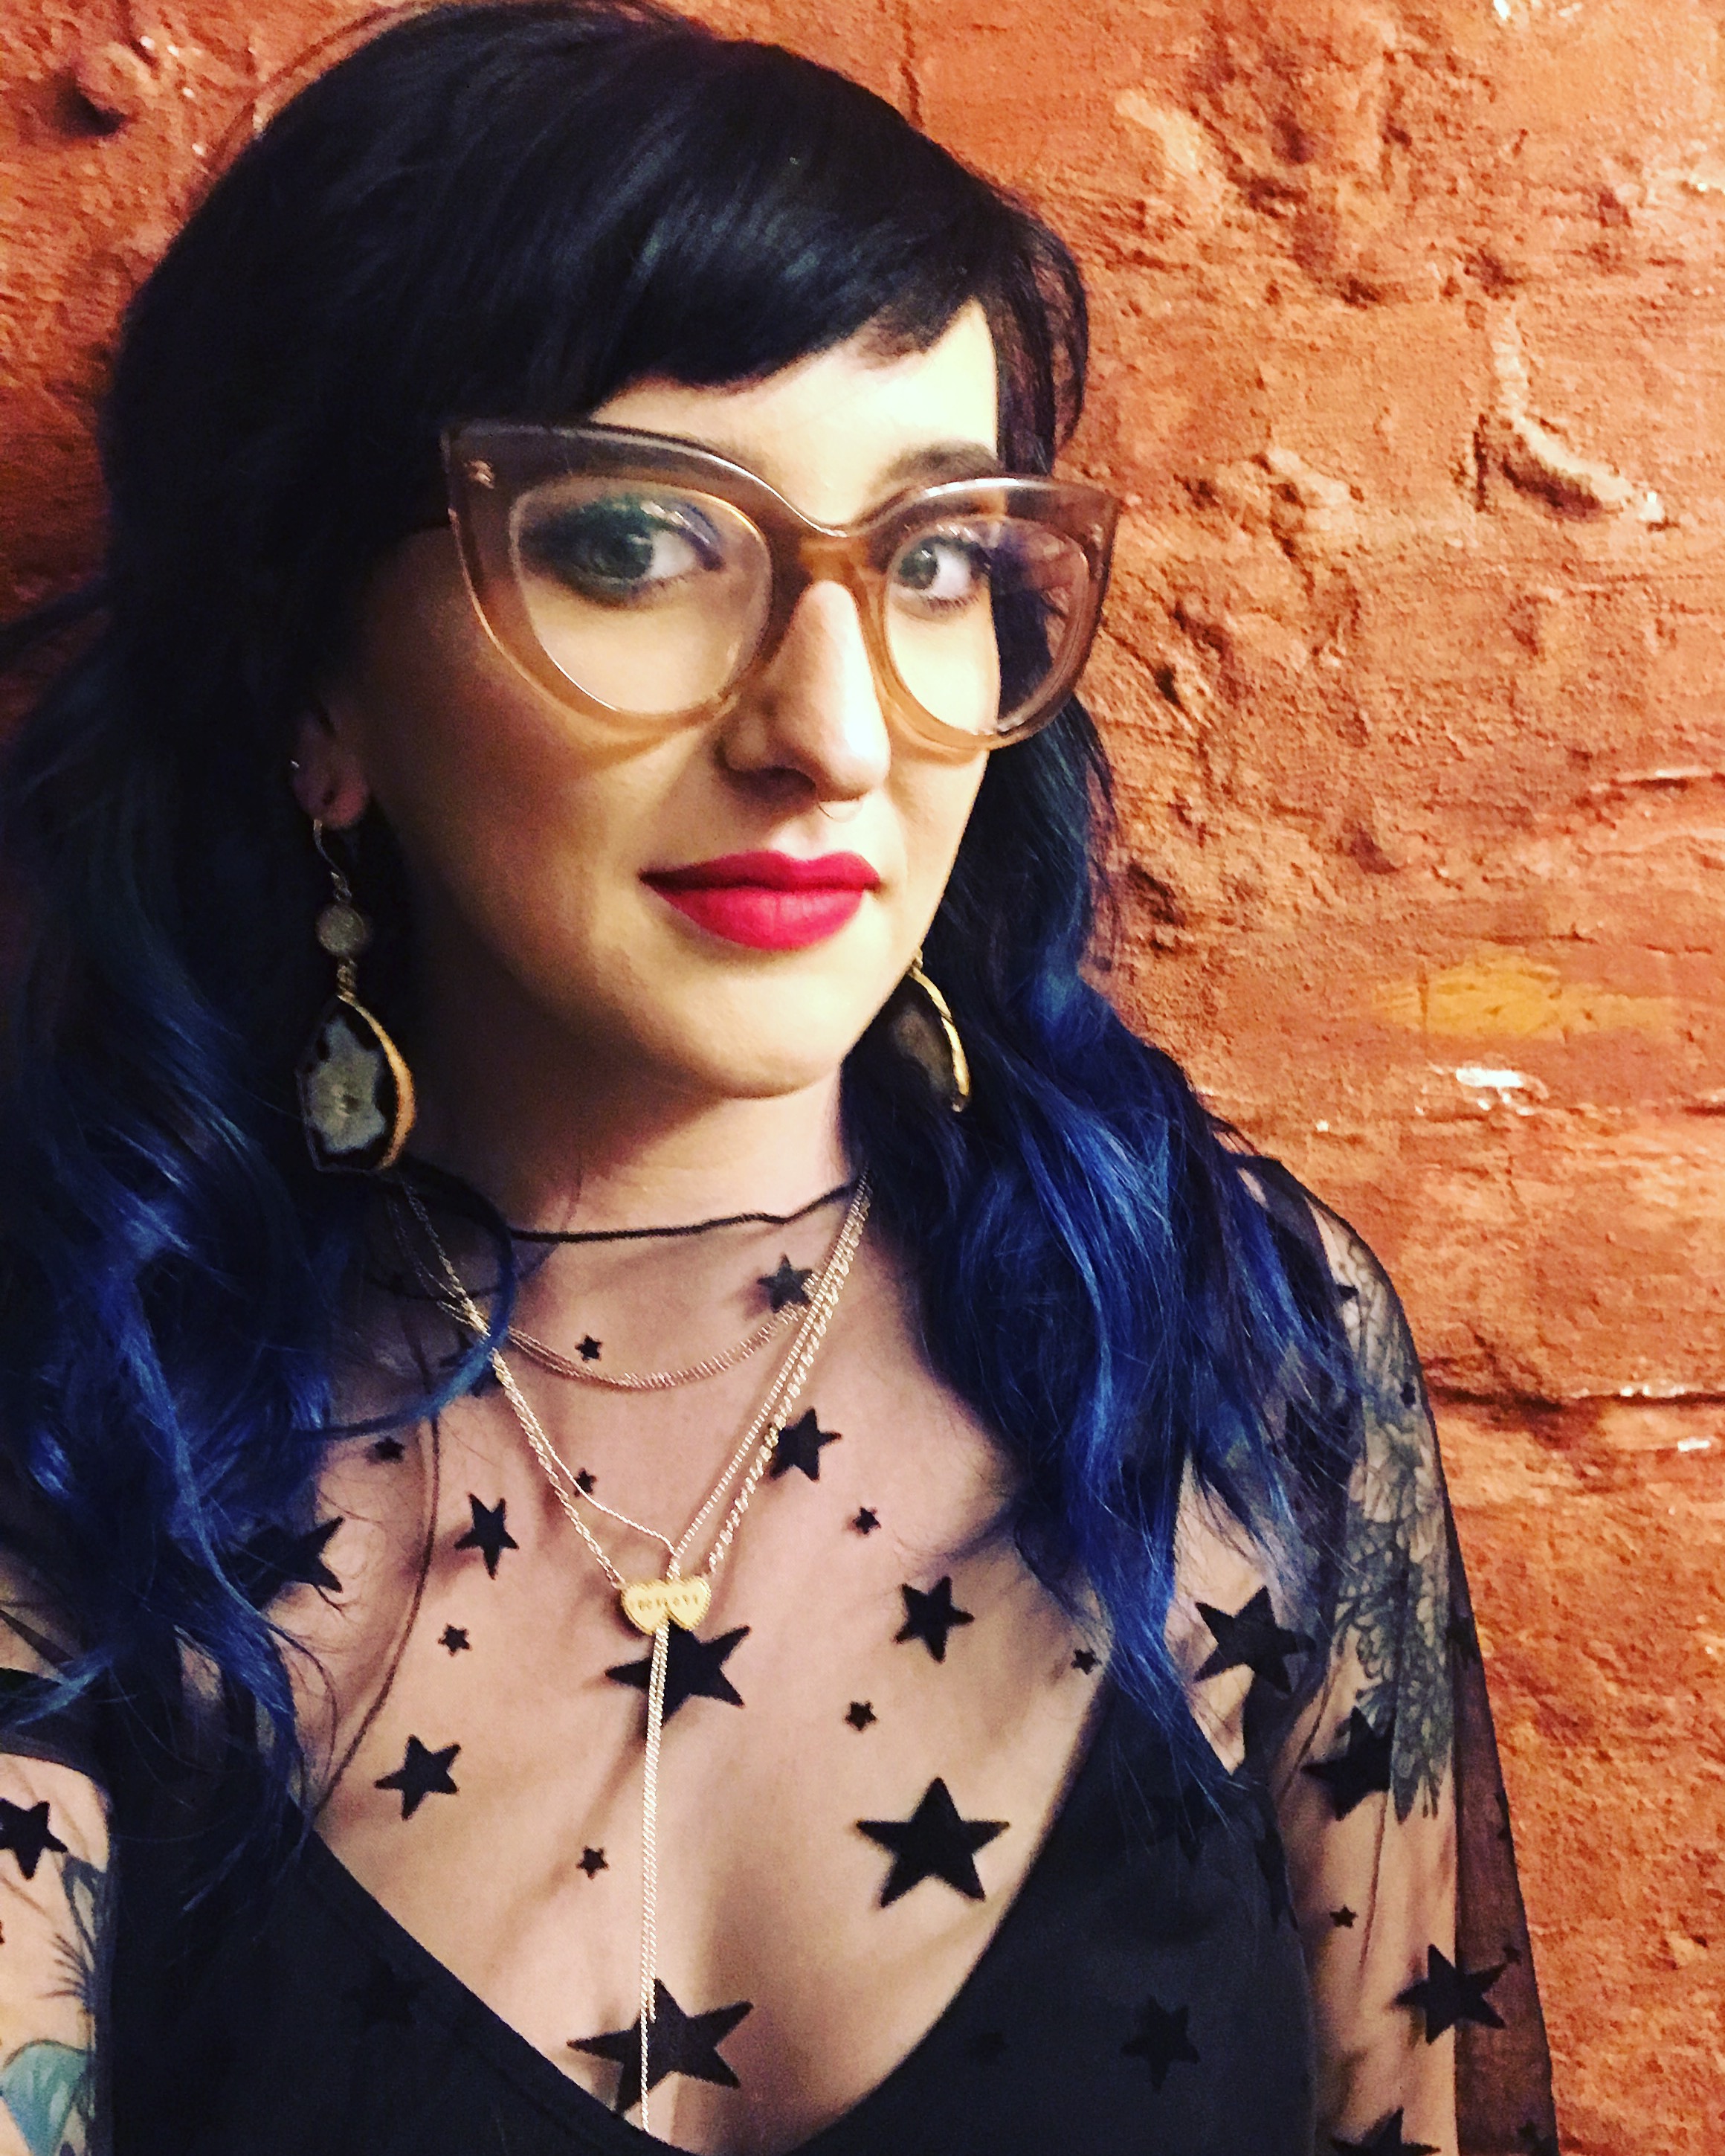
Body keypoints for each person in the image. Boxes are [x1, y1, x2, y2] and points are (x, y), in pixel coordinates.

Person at [0, 5, 1560, 2152]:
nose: (831, 731)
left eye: (933, 559)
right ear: (314, 681)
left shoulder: (1231, 1343)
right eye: (635, 544)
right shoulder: (77, 1429)